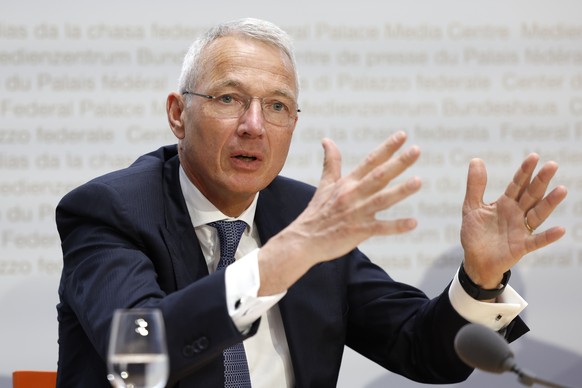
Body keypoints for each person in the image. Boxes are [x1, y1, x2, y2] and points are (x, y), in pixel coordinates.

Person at [55, 18, 568, 388]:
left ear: (292, 126)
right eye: (229, 99)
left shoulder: (303, 216)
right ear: (177, 114)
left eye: (276, 106)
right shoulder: (108, 210)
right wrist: (284, 258)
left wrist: (480, 277)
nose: (254, 125)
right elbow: (137, 357)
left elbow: (423, 352)